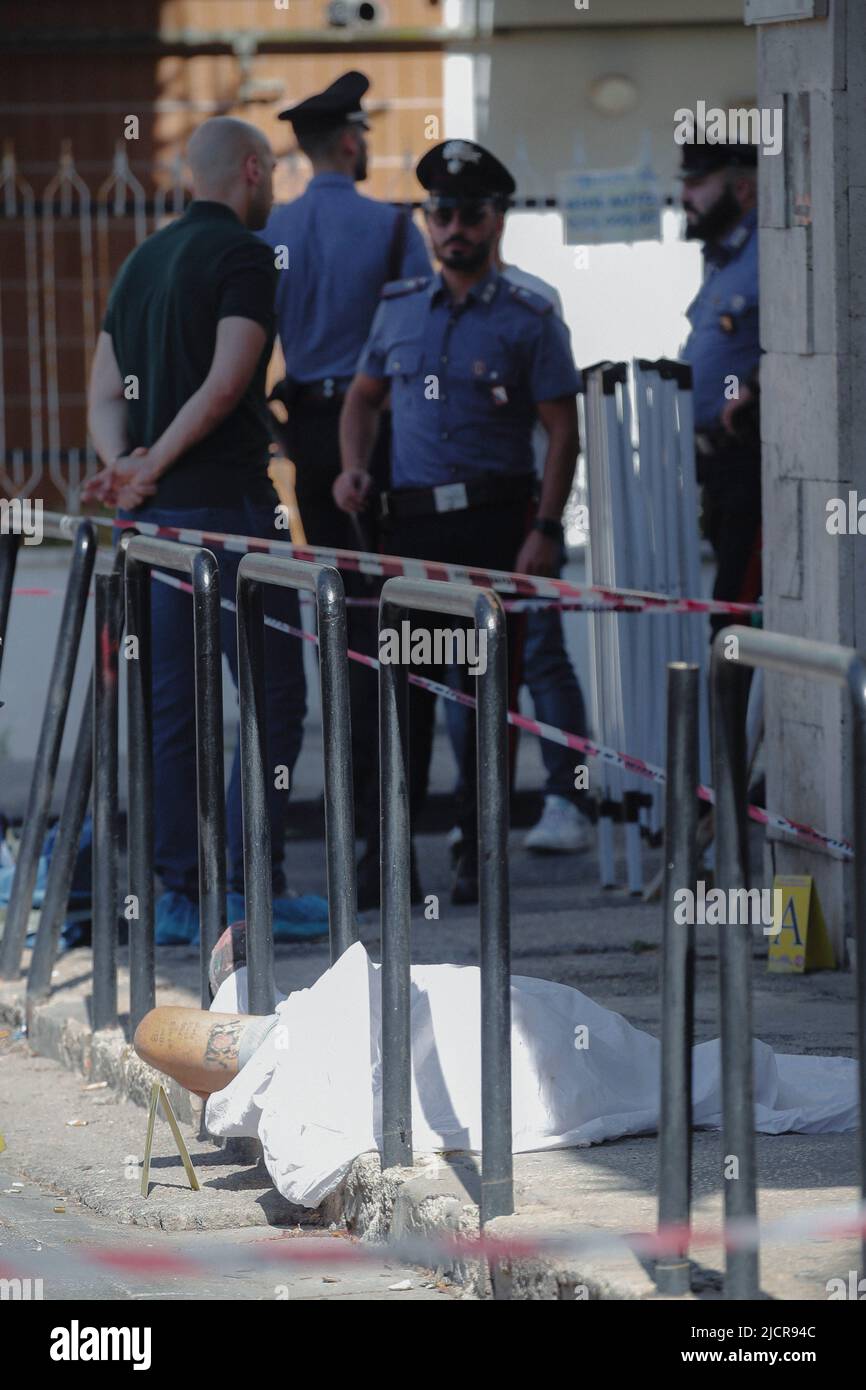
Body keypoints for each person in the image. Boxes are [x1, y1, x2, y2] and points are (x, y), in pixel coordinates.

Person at [134, 927, 857, 1213]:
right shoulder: (298, 1079)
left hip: (438, 1034)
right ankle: (241, 1000)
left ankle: (242, 1001)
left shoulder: (295, 1074)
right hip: (478, 1029)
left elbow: (157, 1034)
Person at [84, 117, 325, 946]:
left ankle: (183, 895)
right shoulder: (245, 257)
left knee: (172, 710)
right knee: (274, 700)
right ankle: (248, 886)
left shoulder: (142, 259)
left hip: (149, 528)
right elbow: (228, 385)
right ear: (251, 170)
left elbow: (105, 391)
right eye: (274, 173)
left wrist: (126, 467)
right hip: (227, 515)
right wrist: (149, 468)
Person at [335, 139, 582, 908]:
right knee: (399, 700)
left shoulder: (530, 316)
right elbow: (361, 398)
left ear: (497, 218)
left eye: (470, 214)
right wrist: (353, 467)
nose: (454, 229)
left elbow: (563, 430)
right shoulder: (400, 307)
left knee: (481, 704)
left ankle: (480, 858)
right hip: (410, 536)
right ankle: (391, 864)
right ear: (428, 221)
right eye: (440, 214)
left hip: (492, 531)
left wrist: (545, 527)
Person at [260, 72, 431, 827]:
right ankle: (382, 800)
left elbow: (244, 350)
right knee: (392, 614)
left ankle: (347, 804)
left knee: (335, 610)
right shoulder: (395, 230)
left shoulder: (271, 237)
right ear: (353, 141)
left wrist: (275, 434)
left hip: (307, 437)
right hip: (383, 438)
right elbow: (425, 340)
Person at [446, 249, 595, 857]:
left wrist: (547, 522)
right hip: (462, 516)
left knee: (541, 654)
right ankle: (478, 808)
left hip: (526, 506)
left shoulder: (532, 300)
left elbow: (560, 421)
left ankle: (567, 797)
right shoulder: (430, 306)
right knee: (467, 665)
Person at [678, 139, 761, 642]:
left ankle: (744, 725)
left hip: (750, 464)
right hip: (714, 471)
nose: (684, 195)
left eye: (695, 184)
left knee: (733, 622)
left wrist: (756, 385)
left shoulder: (773, 255)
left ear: (743, 188)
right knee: (730, 615)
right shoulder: (721, 259)